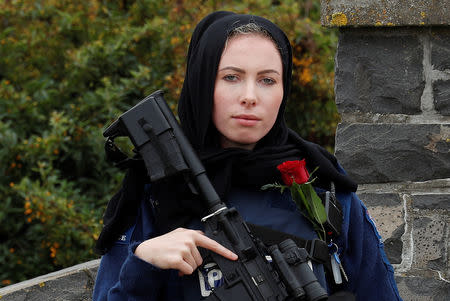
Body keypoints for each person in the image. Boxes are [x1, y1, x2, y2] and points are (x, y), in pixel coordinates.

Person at [93, 11, 402, 301]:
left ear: (284, 90)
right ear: (202, 83)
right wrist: (143, 263)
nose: (250, 97)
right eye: (231, 77)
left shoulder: (326, 189)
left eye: (267, 80)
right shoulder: (155, 194)